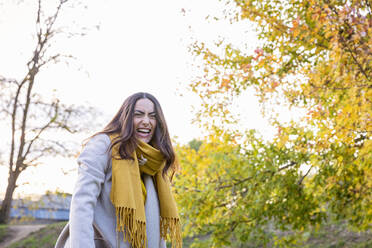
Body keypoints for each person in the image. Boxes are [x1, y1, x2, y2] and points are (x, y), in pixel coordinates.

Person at [55, 92, 182, 248]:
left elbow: (154, 224)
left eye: (153, 116)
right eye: (139, 114)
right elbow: (82, 203)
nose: (146, 121)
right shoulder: (103, 145)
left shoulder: (155, 160)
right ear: (126, 117)